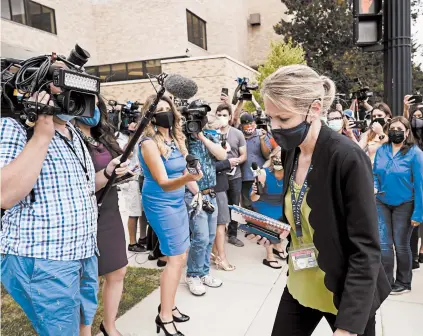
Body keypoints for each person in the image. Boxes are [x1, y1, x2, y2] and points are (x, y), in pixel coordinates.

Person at [249, 64, 390, 336]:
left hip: (344, 290)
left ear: (314, 109)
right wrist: (277, 229)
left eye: (284, 119)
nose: (275, 128)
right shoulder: (292, 151)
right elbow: (304, 213)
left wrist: (348, 327)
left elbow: (367, 248)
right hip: (302, 280)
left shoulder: (347, 157)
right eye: (271, 118)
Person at [1, 86, 128, 335]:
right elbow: (5, 195)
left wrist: (108, 172)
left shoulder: (72, 131)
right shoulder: (13, 127)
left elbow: (82, 186)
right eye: (65, 88)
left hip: (83, 252)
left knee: (82, 324)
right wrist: (41, 135)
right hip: (45, 258)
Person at [138, 95, 202, 336]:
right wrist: (189, 180)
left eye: (168, 109)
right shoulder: (148, 143)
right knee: (175, 258)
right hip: (160, 202)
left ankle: (170, 305)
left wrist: (199, 193)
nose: (165, 113)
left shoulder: (175, 138)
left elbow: (185, 168)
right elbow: (164, 182)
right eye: (160, 109)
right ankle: (164, 317)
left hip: (177, 200)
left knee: (181, 254)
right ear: (151, 115)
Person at [74, 95, 129, 336]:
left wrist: (122, 170)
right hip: (83, 213)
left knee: (117, 270)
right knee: (86, 280)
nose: (93, 108)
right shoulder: (68, 137)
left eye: (97, 104)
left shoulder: (101, 136)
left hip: (109, 208)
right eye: (88, 103)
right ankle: (82, 330)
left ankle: (109, 325)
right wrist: (108, 172)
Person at [373, 116, 423, 294]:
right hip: (382, 202)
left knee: (401, 244)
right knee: (384, 244)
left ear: (407, 132)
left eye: (399, 129)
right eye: (392, 128)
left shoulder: (415, 154)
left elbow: (420, 185)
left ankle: (403, 282)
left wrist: (418, 213)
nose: (395, 131)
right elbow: (375, 174)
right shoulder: (382, 150)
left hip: (405, 204)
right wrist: (375, 186)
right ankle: (386, 282)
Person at [184, 100, 227, 297]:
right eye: (195, 116)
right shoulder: (182, 139)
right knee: (199, 237)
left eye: (201, 117)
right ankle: (192, 274)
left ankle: (203, 273)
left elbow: (221, 155)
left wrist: (201, 136)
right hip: (194, 194)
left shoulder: (209, 135)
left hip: (211, 192)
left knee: (209, 236)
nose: (198, 120)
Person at [250, 147, 288, 269]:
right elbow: (252, 198)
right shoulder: (263, 173)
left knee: (287, 218)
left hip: (280, 203)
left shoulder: (290, 172)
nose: (278, 159)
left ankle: (277, 246)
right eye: (275, 157)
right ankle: (269, 256)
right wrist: (256, 191)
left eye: (281, 157)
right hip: (263, 203)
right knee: (271, 223)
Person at [206, 115, 236, 271]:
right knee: (221, 224)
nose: (219, 131)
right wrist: (227, 162)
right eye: (216, 128)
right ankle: (221, 258)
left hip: (216, 186)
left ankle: (214, 254)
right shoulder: (208, 143)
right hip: (216, 188)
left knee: (215, 224)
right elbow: (208, 167)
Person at [216, 103, 247, 247]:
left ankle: (233, 234)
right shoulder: (211, 133)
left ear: (229, 117)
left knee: (234, 205)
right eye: (219, 114)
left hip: (235, 175)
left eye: (224, 115)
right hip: (218, 175)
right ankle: (218, 233)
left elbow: (244, 155)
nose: (221, 117)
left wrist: (236, 161)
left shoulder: (237, 133)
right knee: (219, 205)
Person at [116, 122, 148, 253]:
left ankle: (143, 237)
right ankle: (132, 242)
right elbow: (125, 154)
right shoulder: (124, 137)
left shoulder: (144, 137)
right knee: (134, 212)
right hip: (131, 179)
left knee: (143, 211)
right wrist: (132, 135)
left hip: (142, 177)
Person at [239, 113, 272, 213]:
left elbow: (267, 155)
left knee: (261, 205)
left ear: (254, 123)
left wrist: (262, 140)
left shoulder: (261, 134)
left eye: (251, 123)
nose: (249, 126)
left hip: (260, 177)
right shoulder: (239, 135)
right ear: (241, 126)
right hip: (244, 177)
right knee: (247, 206)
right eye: (246, 124)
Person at [404, 95, 423, 267]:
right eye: (414, 117)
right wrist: (406, 108)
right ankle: (414, 256)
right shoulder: (409, 140)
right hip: (413, 182)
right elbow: (405, 124)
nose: (417, 120)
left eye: (420, 116)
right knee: (415, 217)